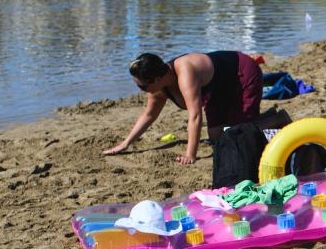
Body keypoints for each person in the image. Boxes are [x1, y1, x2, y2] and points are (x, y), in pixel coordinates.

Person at [104, 52, 264, 182]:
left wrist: (190, 154)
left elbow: (195, 115)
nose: (140, 90)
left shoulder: (185, 72)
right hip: (217, 88)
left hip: (241, 71)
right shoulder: (159, 87)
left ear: (157, 79)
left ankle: (276, 118)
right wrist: (125, 144)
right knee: (218, 138)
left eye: (142, 86)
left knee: (240, 132)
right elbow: (149, 115)